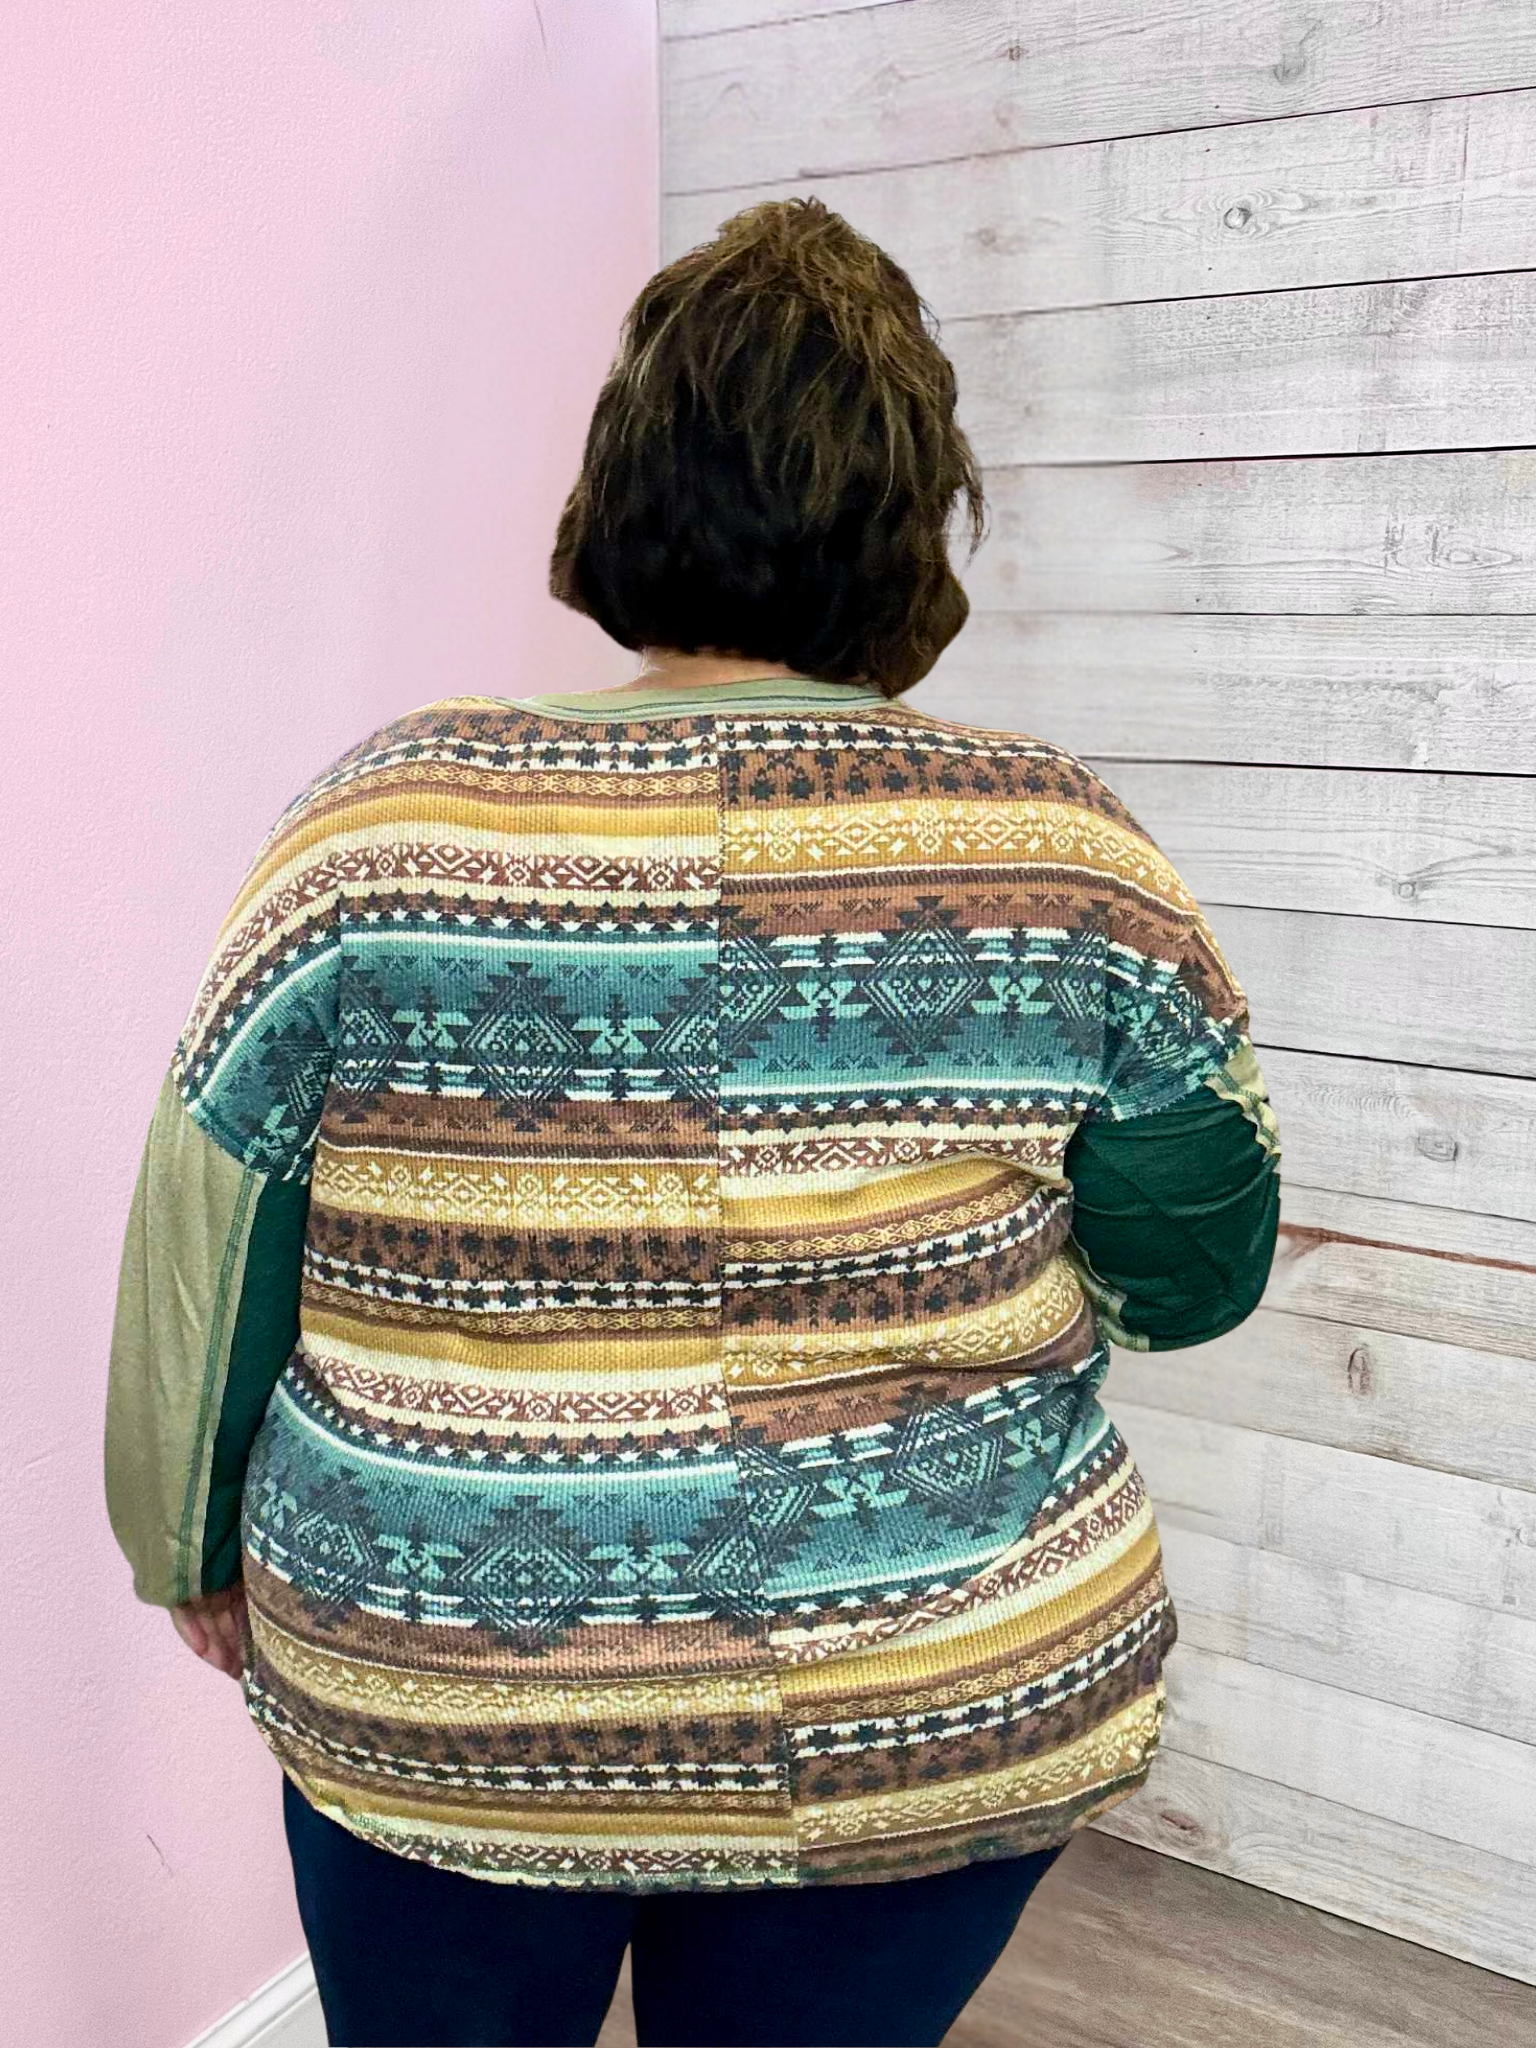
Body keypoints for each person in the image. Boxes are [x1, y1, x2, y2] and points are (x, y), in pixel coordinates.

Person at [103, 196, 1281, 2048]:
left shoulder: (384, 824)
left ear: (621, 494)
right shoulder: (1073, 854)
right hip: (941, 1694)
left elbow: (209, 1237)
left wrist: (182, 1545)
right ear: (917, 523)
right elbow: (1195, 1267)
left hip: (444, 1698)